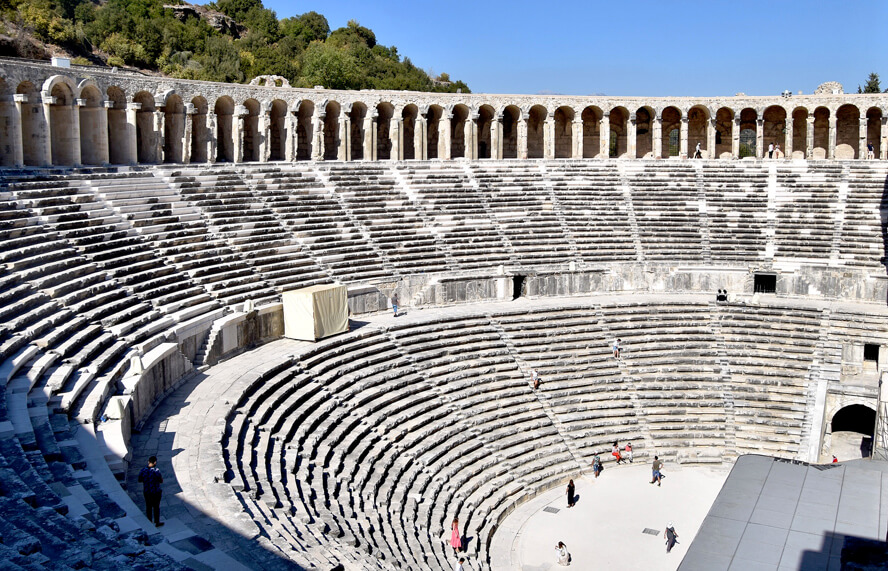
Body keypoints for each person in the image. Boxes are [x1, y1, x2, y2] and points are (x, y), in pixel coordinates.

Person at [138, 456, 164, 527]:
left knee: (148, 507)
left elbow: (139, 479)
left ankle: (149, 521)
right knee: (156, 507)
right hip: (156, 492)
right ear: (155, 462)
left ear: (148, 462)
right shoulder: (156, 471)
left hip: (147, 492)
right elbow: (161, 480)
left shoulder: (143, 470)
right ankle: (157, 522)